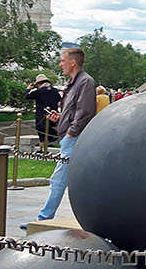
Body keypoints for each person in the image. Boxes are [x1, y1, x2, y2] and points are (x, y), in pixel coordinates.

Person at [30, 46, 97, 224]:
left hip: (73, 138)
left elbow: (85, 112)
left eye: (63, 61)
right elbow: (74, 112)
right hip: (70, 136)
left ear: (73, 62)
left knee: (58, 179)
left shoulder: (85, 82)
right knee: (73, 179)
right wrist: (59, 118)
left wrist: (70, 133)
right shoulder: (73, 83)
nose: (60, 64)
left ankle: (43, 218)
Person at [25, 73, 61, 150]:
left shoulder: (39, 91)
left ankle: (44, 146)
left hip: (41, 115)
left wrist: (28, 89)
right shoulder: (55, 91)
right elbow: (59, 99)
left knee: (41, 130)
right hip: (53, 114)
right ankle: (45, 145)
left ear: (38, 83)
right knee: (50, 128)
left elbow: (27, 96)